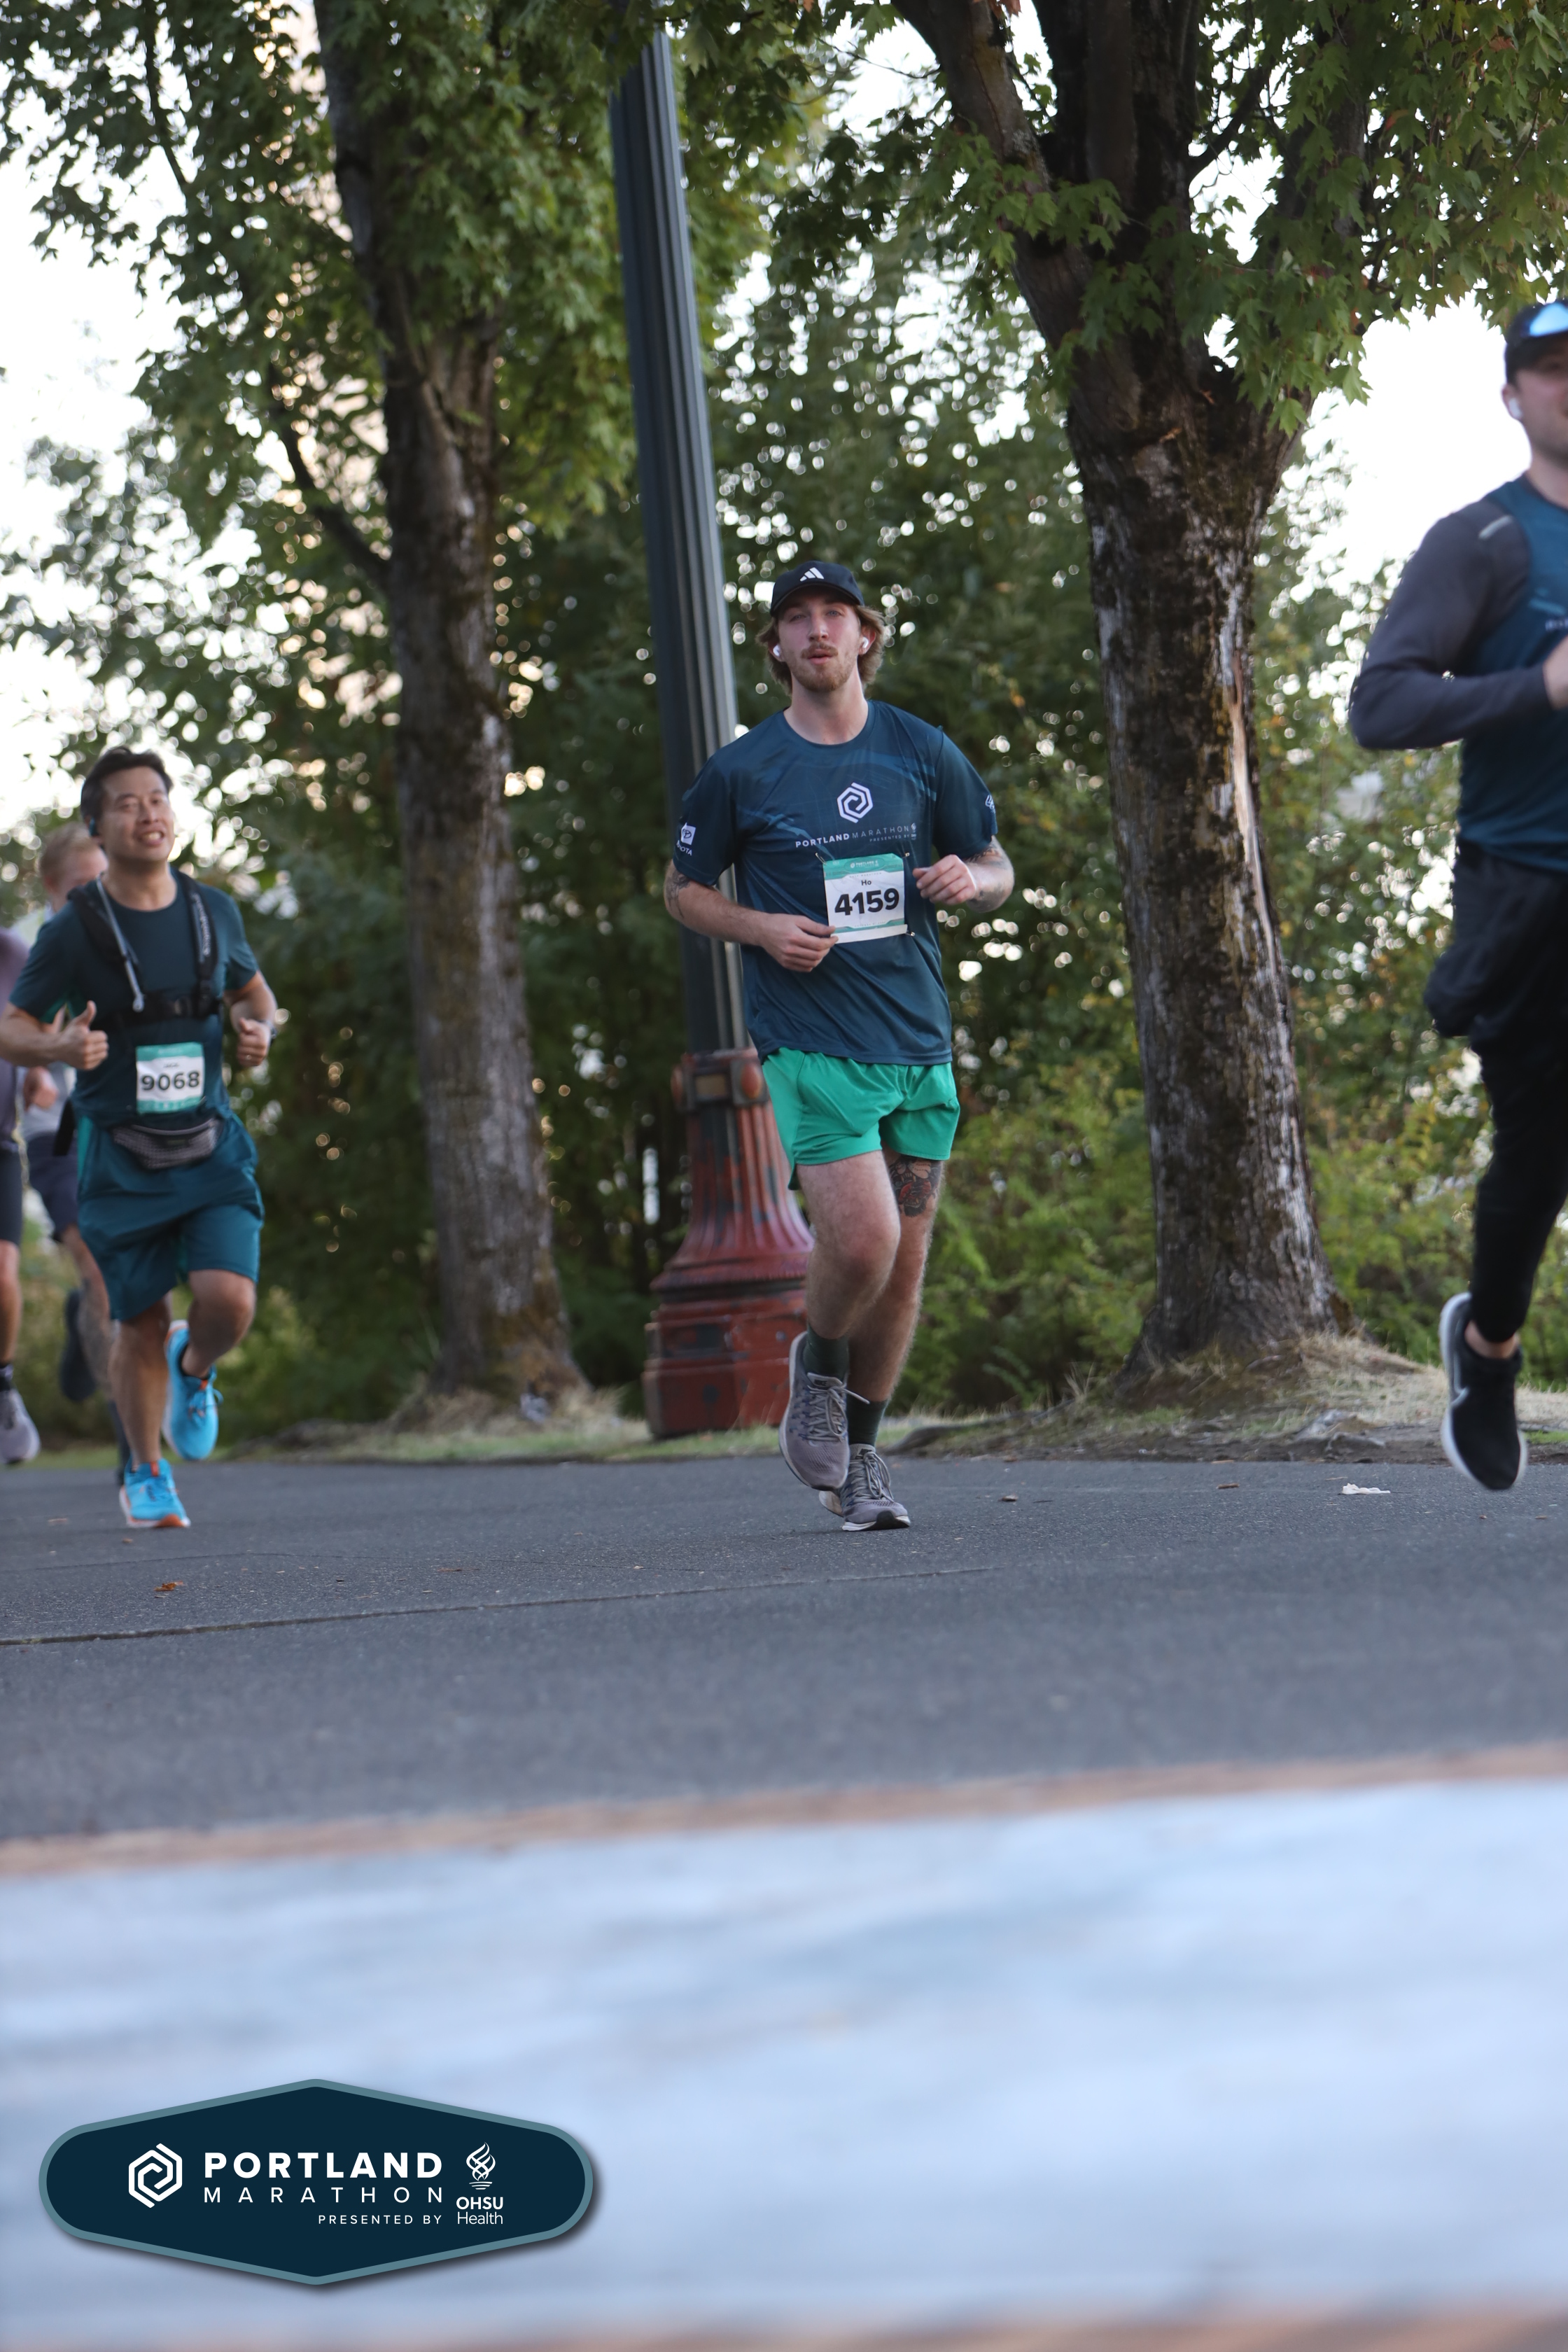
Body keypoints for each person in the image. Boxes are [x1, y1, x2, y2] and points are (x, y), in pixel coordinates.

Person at [664, 559, 1014, 1530]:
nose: (817, 630)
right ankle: (817, 1360)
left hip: (916, 1039)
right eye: (796, 617)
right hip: (810, 1038)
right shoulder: (742, 770)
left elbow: (995, 864)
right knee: (864, 1240)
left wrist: (969, 882)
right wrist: (761, 929)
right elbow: (682, 891)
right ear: (776, 646)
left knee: (904, 1266)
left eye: (835, 614)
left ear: (865, 636)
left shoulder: (920, 749)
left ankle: (860, 1460)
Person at [1350, 297, 1568, 1492]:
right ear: (1513, 396)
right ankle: (1488, 1349)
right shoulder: (1483, 541)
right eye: (1551, 367)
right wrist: (1538, 688)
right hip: (1527, 893)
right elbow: (1381, 704)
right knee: (1541, 1148)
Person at [0, 747, 277, 1528]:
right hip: (120, 1155)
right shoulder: (73, 931)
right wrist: (58, 1047)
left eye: (158, 798)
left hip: (209, 1143)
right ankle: (148, 1474)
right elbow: (12, 1027)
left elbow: (255, 995)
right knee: (139, 1319)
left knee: (230, 1301)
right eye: (127, 803)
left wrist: (259, 1030)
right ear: (98, 824)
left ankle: (198, 1364)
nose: (148, 812)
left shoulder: (212, 910)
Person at [17, 824, 119, 1424]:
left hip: (120, 1124)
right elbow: (12, 1033)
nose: (95, 897)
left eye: (102, 882)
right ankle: (129, 1430)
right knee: (98, 1265)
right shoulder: (25, 948)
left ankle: (85, 1311)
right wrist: (40, 1061)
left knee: (138, 1267)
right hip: (56, 1131)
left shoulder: (126, 936)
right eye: (81, 887)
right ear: (52, 889)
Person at [0, 920, 42, 1463]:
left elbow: (39, 1021)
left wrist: (39, 1067)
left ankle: (3, 1385)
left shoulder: (12, 951)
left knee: (3, 1275)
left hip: (0, 1146)